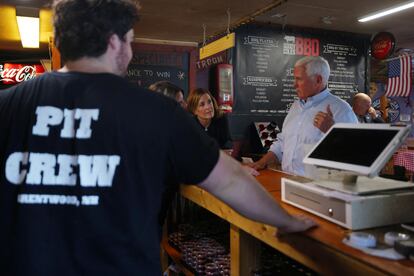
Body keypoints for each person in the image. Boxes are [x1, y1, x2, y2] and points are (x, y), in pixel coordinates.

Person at [0, 0, 316, 275]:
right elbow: (230, 180)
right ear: (114, 42)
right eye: (130, 40)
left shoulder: (9, 105)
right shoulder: (157, 111)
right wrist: (287, 222)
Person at [249, 56, 358, 176]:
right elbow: (283, 142)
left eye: (299, 79)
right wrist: (261, 162)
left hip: (317, 187)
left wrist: (332, 131)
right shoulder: (296, 106)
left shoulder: (341, 110)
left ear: (318, 80)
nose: (294, 85)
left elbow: (354, 154)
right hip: (288, 181)